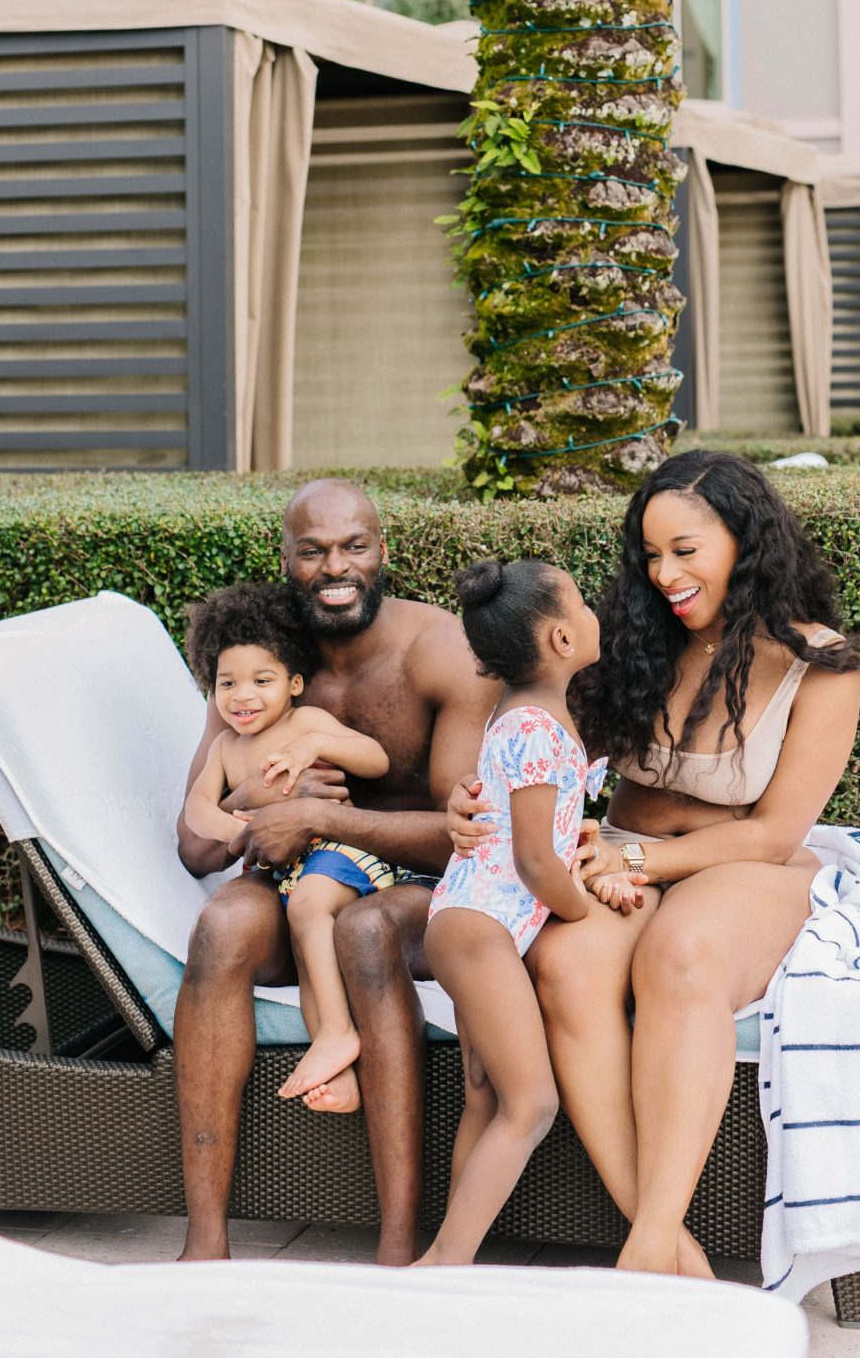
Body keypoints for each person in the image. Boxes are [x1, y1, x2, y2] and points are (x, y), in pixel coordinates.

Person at [447, 449, 860, 1278]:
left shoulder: (819, 663)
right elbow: (528, 734)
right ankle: (671, 1247)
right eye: (650, 554)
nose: (664, 573)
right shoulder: (628, 641)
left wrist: (634, 853)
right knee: (566, 962)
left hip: (742, 865)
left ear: (745, 543)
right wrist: (471, 801)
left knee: (682, 956)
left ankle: (645, 1246)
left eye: (685, 549)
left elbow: (776, 832)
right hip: (618, 862)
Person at [172, 478, 489, 1265]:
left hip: (413, 888)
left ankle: (396, 1245)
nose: (335, 567)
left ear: (384, 551)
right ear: (288, 560)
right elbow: (198, 848)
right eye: (313, 551)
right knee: (219, 925)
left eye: (354, 546)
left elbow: (469, 838)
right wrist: (259, 802)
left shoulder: (438, 650)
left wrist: (324, 817)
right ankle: (204, 1242)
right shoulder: (260, 664)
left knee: (361, 925)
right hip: (289, 877)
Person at [418, 559, 609, 1267]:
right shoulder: (537, 729)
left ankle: (450, 1256)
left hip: (467, 925)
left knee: (485, 1099)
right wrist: (582, 908)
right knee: (533, 1106)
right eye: (585, 606)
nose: (596, 616)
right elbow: (534, 861)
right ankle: (443, 1265)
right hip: (479, 932)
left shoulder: (529, 716)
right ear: (561, 640)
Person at [181, 583, 392, 1109]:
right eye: (227, 683)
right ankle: (337, 1066)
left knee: (308, 906)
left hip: (343, 853)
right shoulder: (227, 749)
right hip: (291, 873)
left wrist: (318, 745)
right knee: (306, 953)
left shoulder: (306, 722)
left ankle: (339, 1031)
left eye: (261, 680)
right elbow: (197, 810)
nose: (242, 695)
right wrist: (240, 830)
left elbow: (375, 759)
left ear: (294, 683)